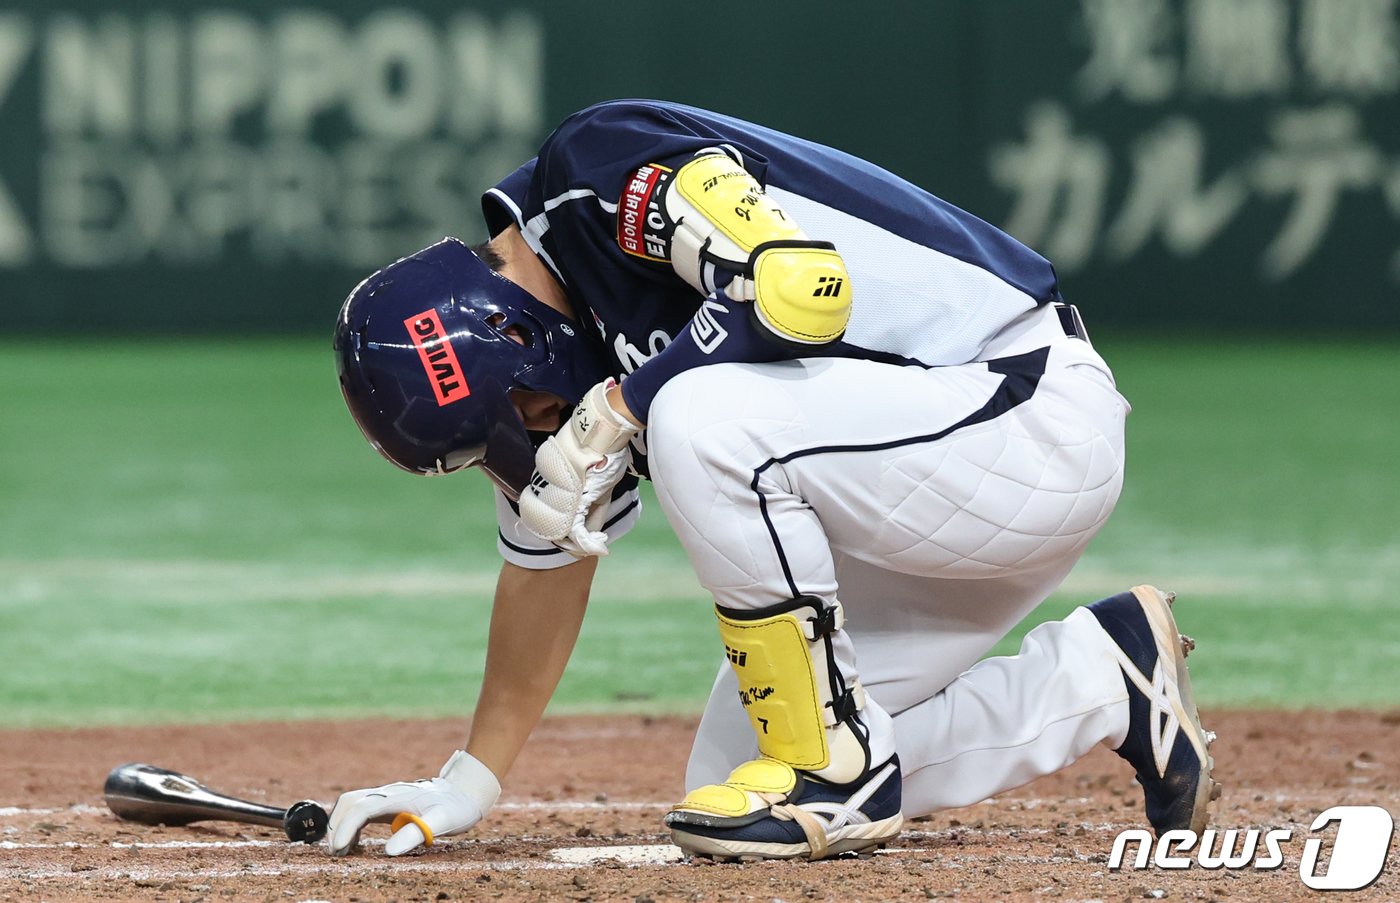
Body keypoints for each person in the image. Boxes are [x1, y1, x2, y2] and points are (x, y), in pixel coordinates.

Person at [326, 99, 1219, 862]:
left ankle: (834, 772)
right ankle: (1104, 677)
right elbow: (544, 564)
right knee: (729, 779)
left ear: (507, 332)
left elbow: (801, 287)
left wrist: (629, 405)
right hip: (923, 483)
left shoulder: (594, 168)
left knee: (699, 419)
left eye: (509, 417)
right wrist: (468, 781)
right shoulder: (560, 355)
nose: (526, 435)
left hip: (1022, 409)